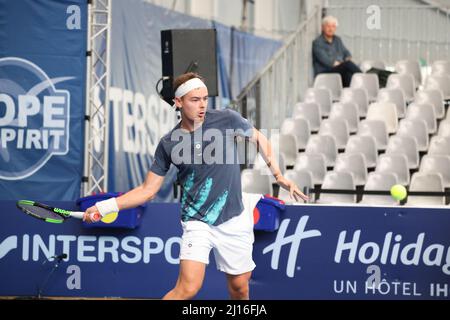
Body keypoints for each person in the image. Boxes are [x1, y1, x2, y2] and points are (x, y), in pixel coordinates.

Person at [83, 72, 309, 300]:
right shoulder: (168, 143)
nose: (202, 105)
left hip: (234, 218)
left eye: (204, 98)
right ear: (178, 102)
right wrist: (104, 207)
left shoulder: (227, 119)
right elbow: (147, 190)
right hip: (197, 221)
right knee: (188, 288)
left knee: (240, 287)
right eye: (194, 100)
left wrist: (279, 175)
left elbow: (260, 138)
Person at [312, 15, 362, 87]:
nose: (331, 29)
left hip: (339, 69)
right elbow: (326, 61)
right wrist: (341, 63)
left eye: (333, 26)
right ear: (323, 27)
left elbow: (345, 52)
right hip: (325, 72)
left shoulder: (337, 40)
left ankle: (349, 93)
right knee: (348, 65)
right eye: (328, 26)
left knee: (348, 74)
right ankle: (364, 77)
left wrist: (348, 56)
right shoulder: (317, 42)